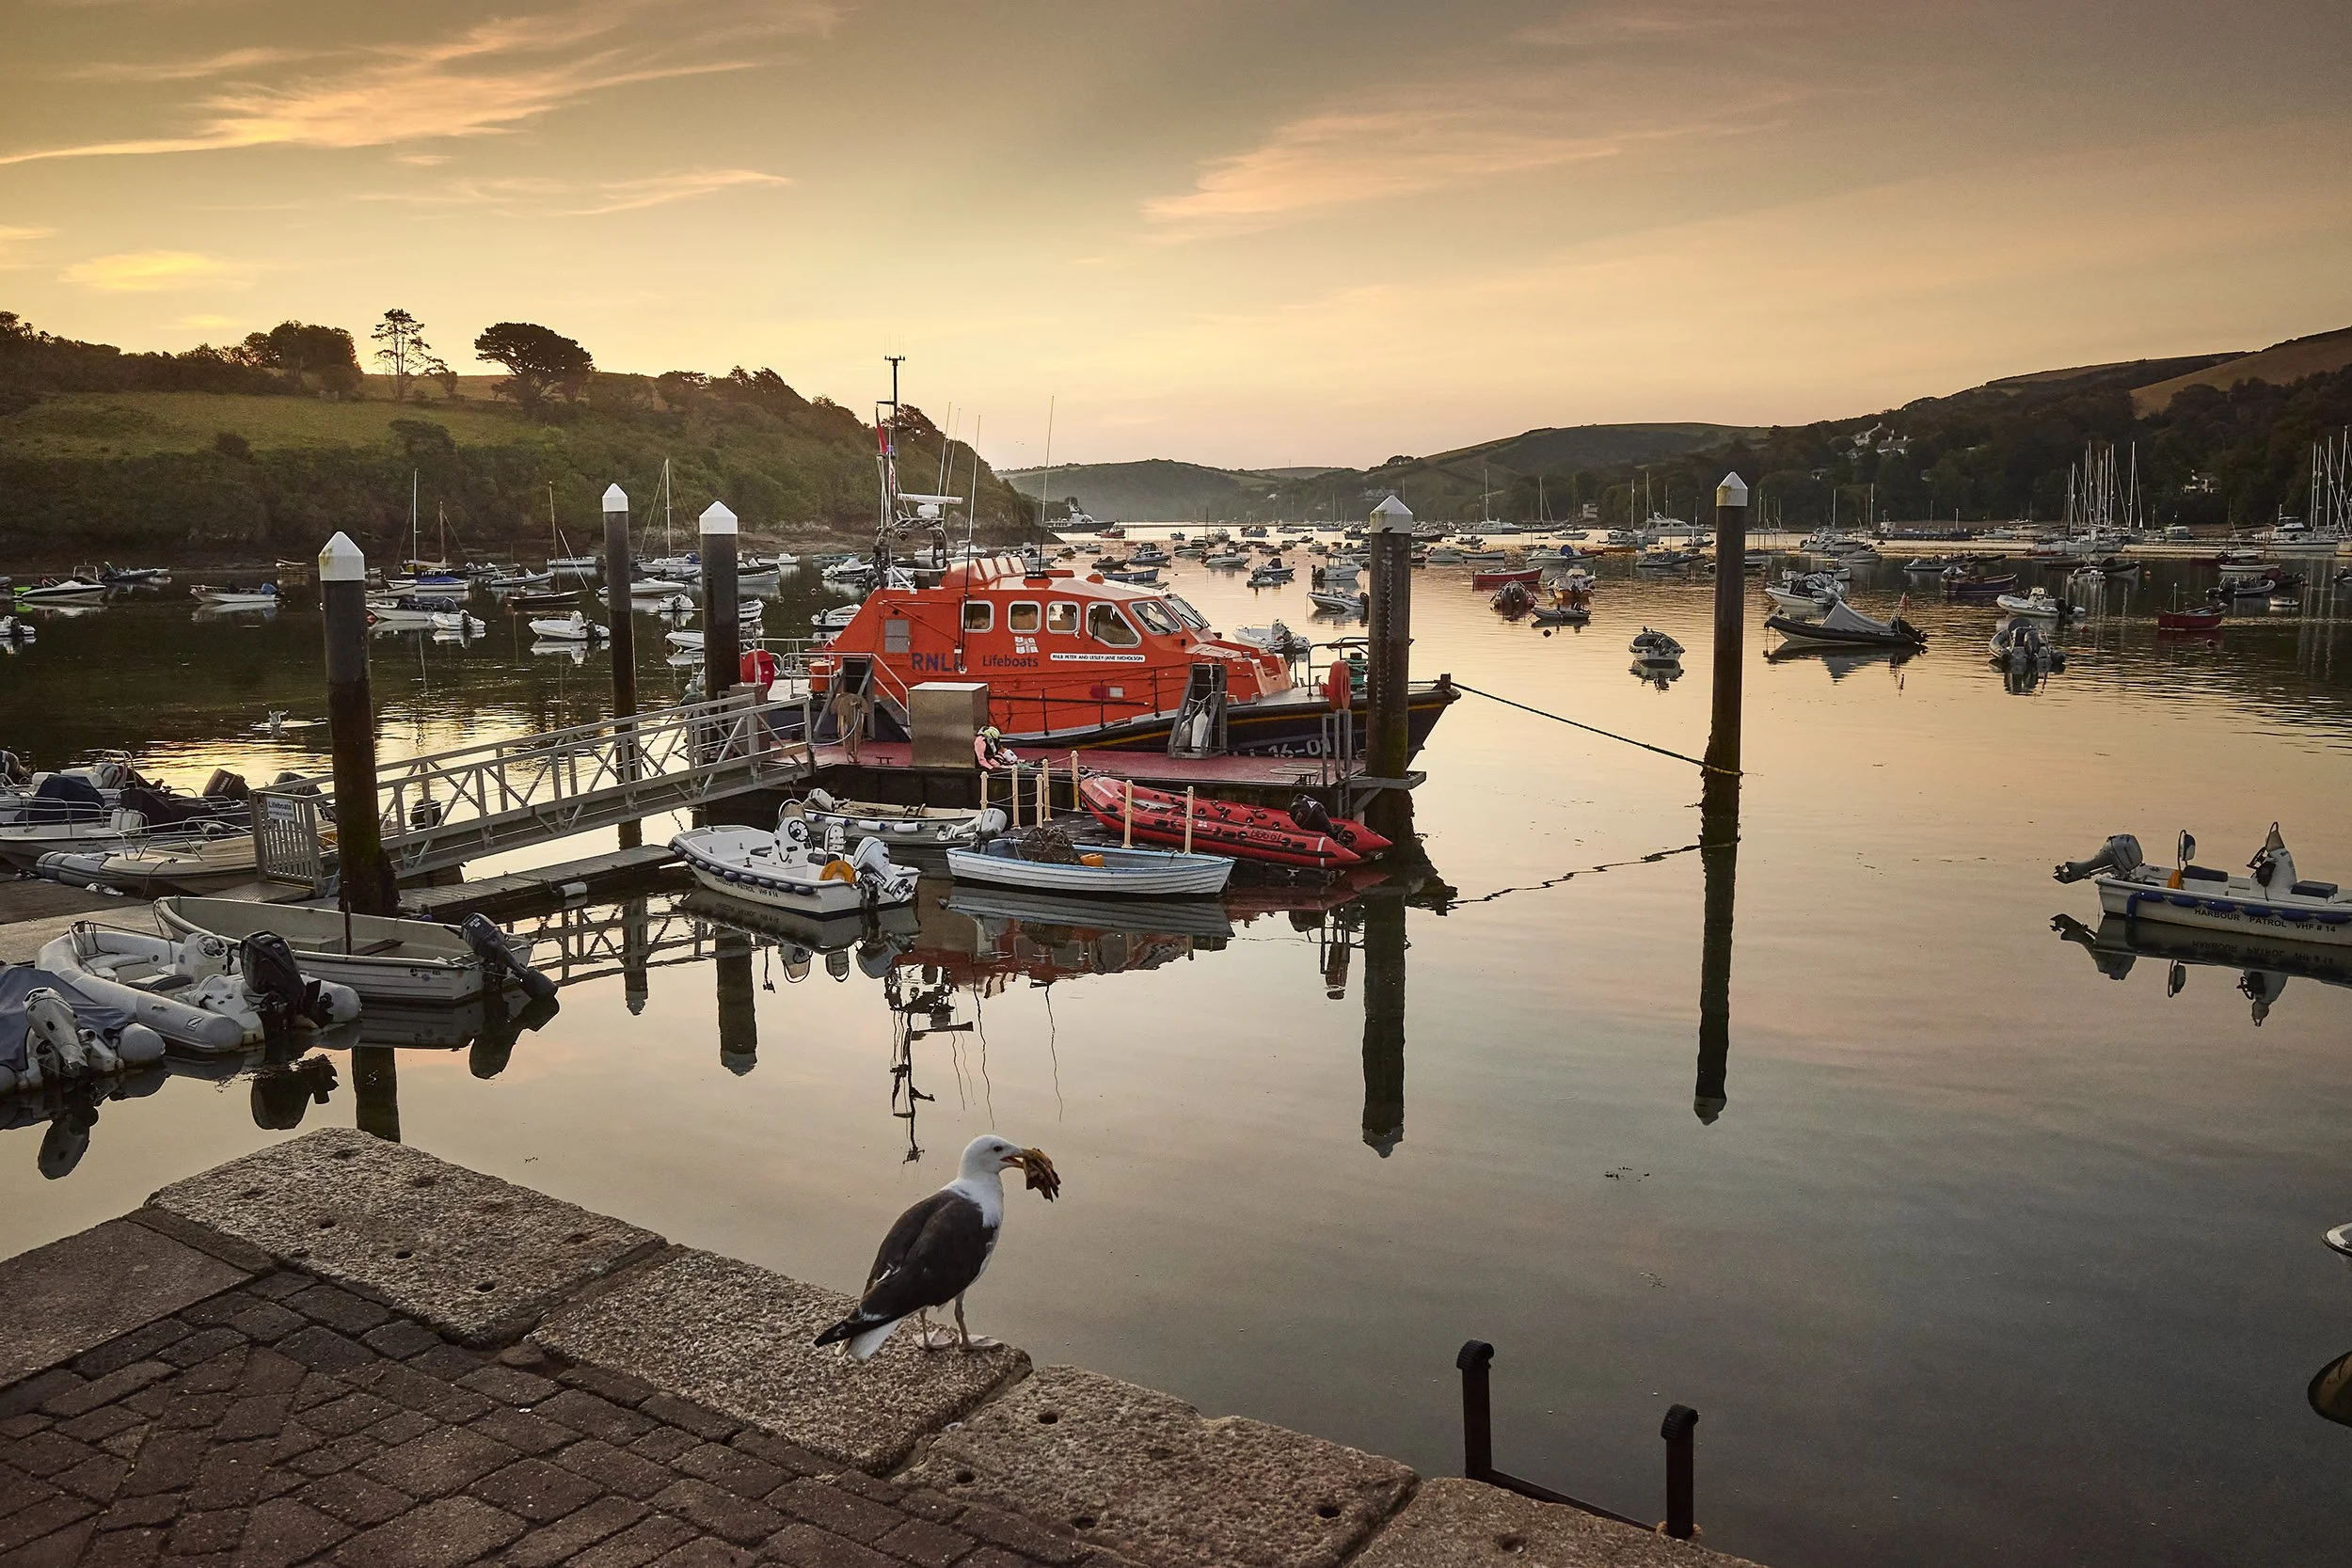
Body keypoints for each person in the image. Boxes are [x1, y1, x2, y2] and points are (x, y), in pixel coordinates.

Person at [834, 688, 869, 764]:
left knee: (856, 733)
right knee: (845, 732)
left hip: (856, 719)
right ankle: (849, 751)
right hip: (847, 719)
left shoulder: (858, 705)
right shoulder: (844, 704)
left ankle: (854, 752)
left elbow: (865, 710)